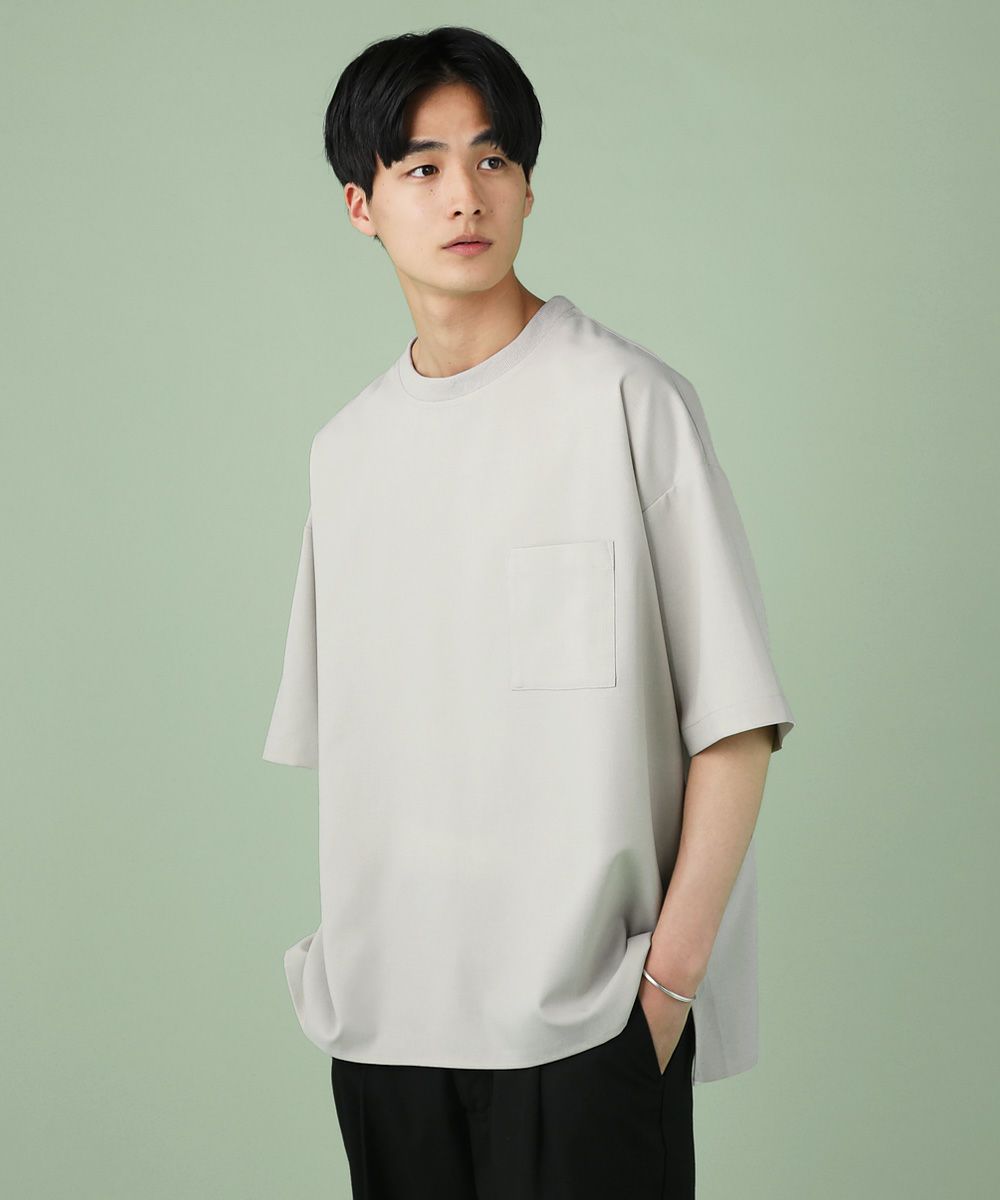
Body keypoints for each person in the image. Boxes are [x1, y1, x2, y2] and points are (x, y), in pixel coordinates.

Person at [262, 24, 796, 1200]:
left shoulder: (626, 401)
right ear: (360, 205)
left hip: (590, 1025)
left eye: (492, 159)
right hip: (389, 1029)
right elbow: (360, 748)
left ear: (528, 185)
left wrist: (666, 989)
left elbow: (736, 725)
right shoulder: (346, 454)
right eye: (422, 166)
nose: (465, 194)